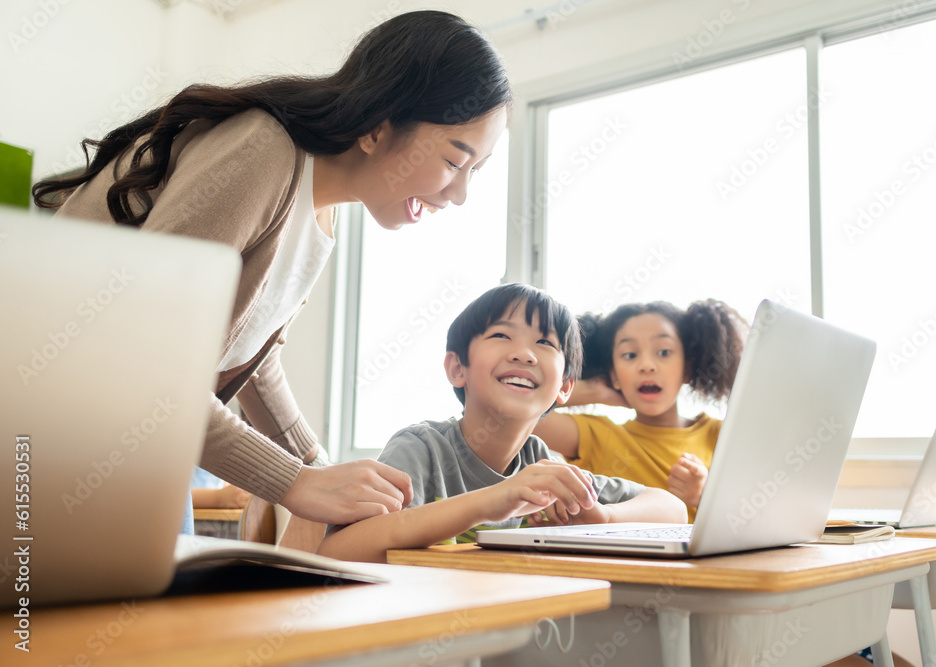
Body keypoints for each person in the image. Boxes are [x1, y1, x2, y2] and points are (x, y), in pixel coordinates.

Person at [30, 10, 513, 529]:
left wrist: (319, 468)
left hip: (128, 442)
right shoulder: (264, 151)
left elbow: (252, 362)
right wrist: (295, 482)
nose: (459, 194)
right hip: (43, 424)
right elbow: (140, 352)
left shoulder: (322, 214)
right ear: (379, 128)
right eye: (455, 160)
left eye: (476, 172)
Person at [317, 283, 687, 563]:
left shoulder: (547, 469)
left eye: (545, 342)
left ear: (565, 387)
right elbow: (337, 553)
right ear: (457, 368)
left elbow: (672, 509)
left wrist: (601, 516)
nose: (524, 353)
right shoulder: (422, 449)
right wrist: (491, 501)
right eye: (501, 335)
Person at [533, 299, 747, 521]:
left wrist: (703, 496)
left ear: (687, 368)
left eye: (664, 352)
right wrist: (595, 392)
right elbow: (519, 415)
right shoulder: (598, 435)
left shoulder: (721, 434)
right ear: (614, 375)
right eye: (630, 355)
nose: (647, 365)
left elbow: (754, 514)